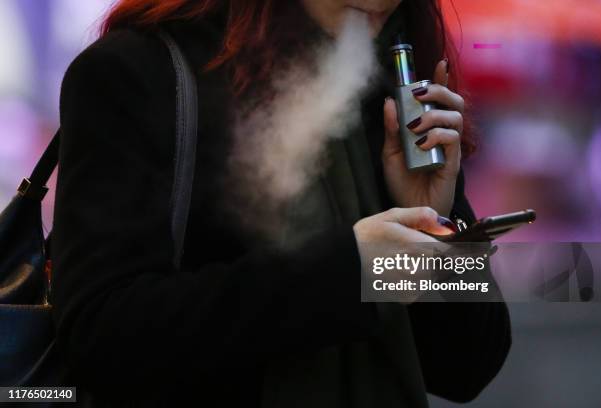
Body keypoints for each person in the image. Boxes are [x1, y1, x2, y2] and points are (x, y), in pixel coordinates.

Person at [51, 0, 511, 406]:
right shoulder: (140, 71)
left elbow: (470, 368)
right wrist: (353, 272)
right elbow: (100, 335)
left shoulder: (392, 88)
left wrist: (438, 221)